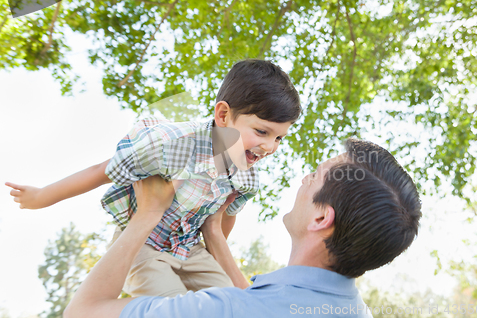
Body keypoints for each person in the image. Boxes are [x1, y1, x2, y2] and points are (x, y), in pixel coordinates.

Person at [5, 59, 302, 297]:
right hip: (143, 244)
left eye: (279, 138)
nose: (269, 147)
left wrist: (215, 255)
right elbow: (102, 170)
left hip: (191, 248)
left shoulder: (247, 175)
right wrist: (42, 196)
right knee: (174, 306)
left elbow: (226, 216)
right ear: (223, 116)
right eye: (262, 132)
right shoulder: (171, 143)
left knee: (228, 304)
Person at [64, 138, 422, 318]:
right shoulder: (356, 312)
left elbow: (85, 311)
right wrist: (216, 236)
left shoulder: (227, 310)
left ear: (320, 218)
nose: (302, 179)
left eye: (312, 178)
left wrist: (146, 216)